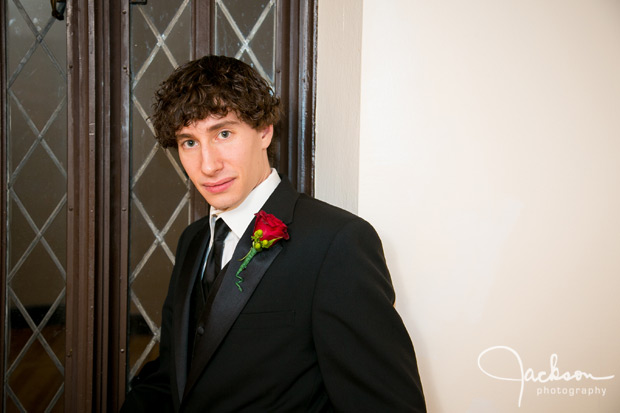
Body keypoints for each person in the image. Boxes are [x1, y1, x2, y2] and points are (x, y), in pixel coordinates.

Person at [122, 55, 426, 412]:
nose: (208, 165)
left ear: (264, 130)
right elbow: (174, 377)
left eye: (223, 133)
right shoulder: (194, 241)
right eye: (189, 142)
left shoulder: (337, 243)